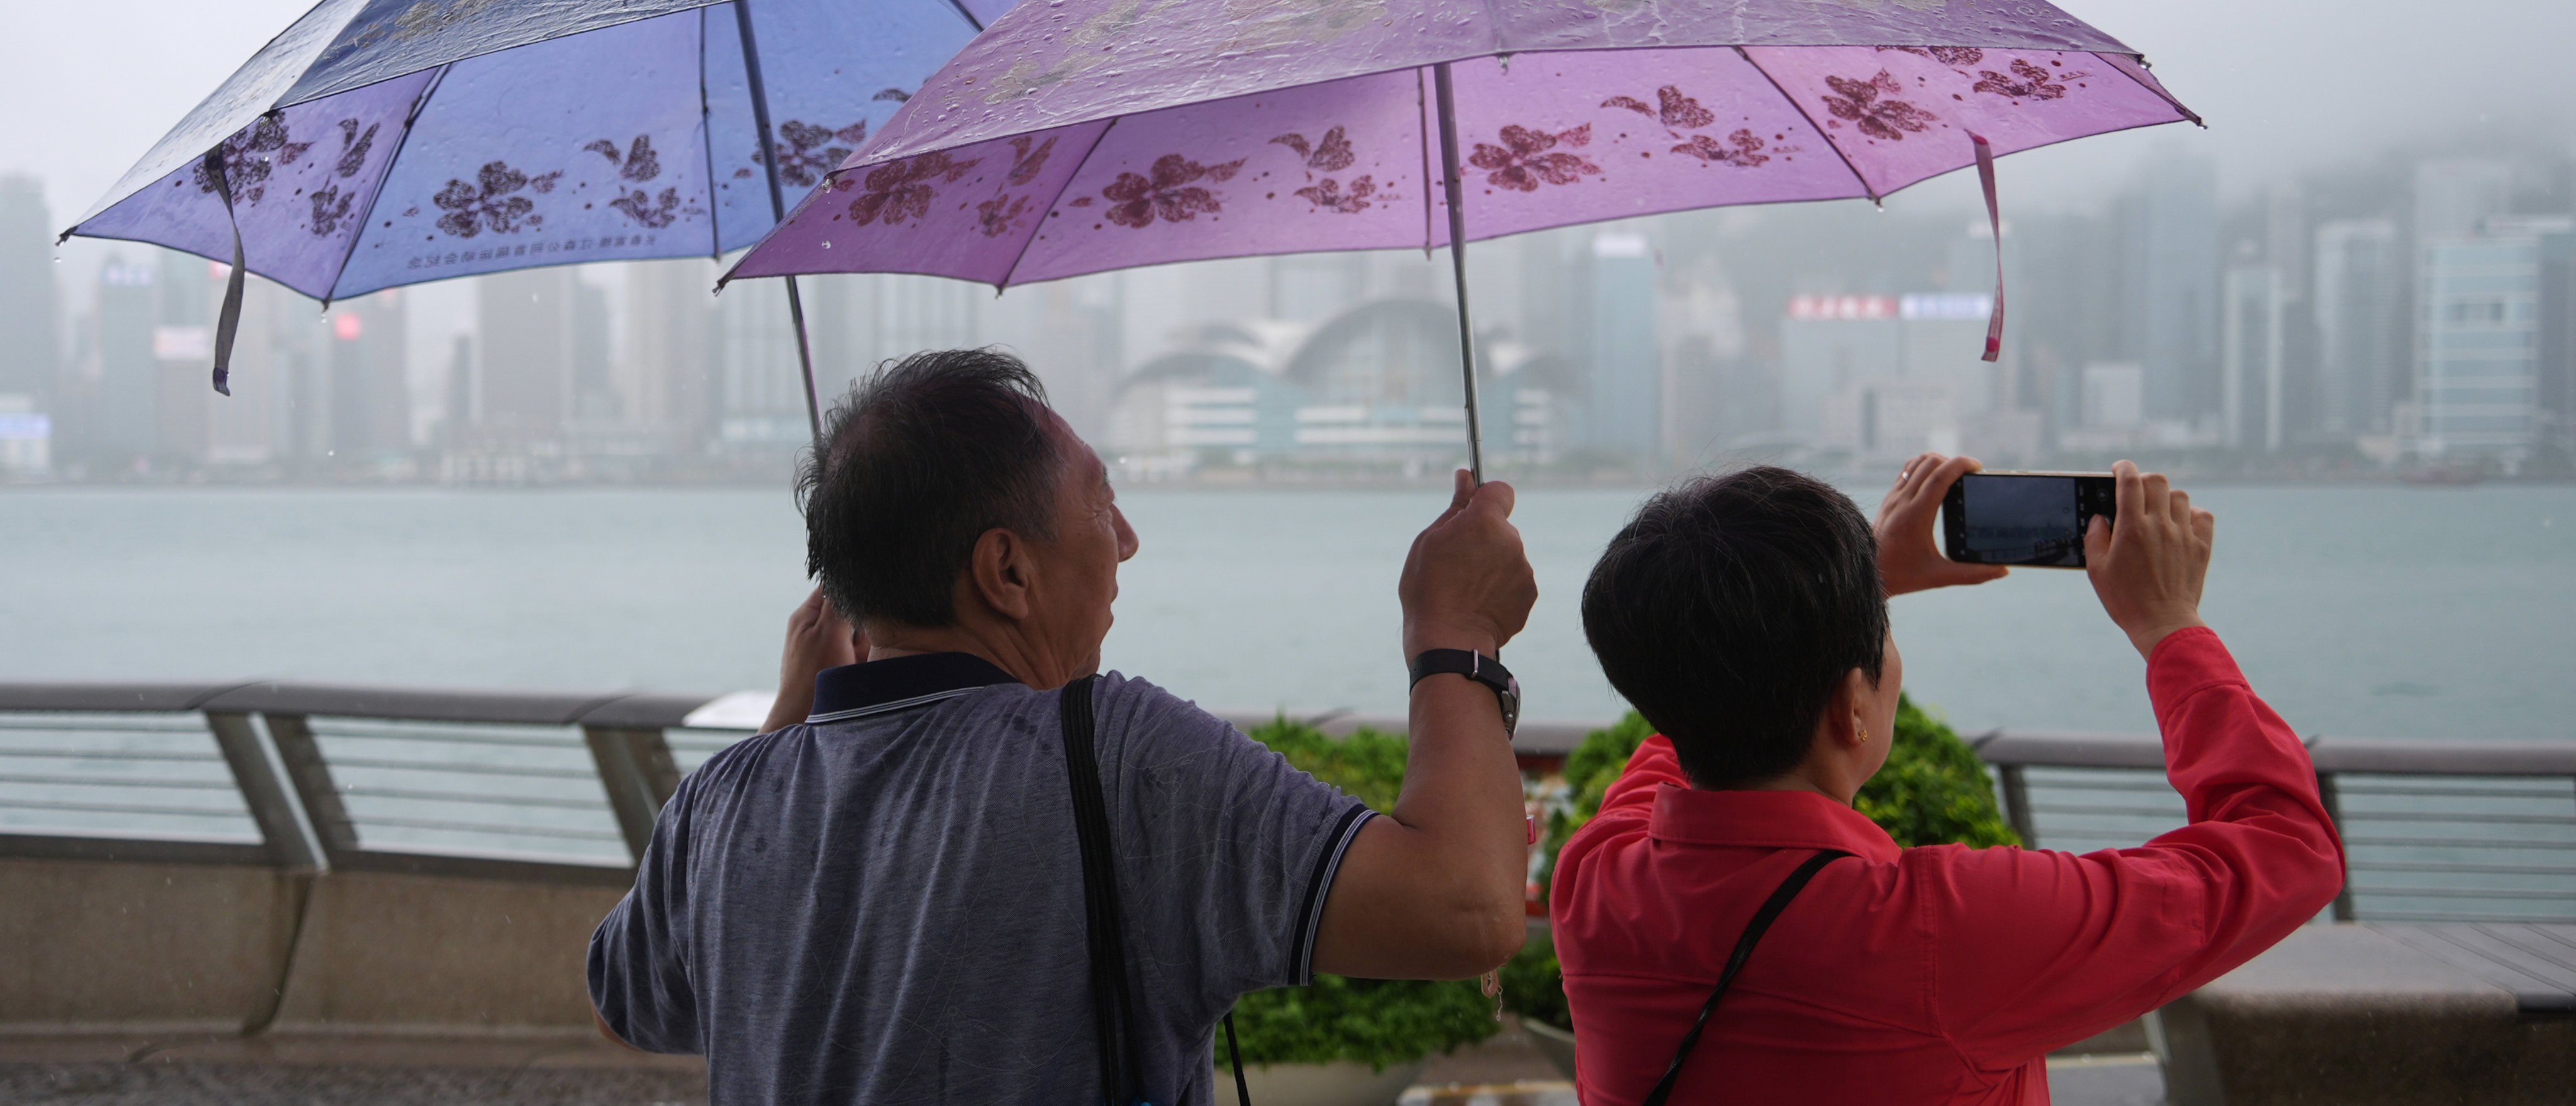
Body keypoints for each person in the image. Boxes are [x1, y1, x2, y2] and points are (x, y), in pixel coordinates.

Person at [587, 349, 1538, 1105]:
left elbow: (628, 1001)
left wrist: (789, 718)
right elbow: (1465, 908)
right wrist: (1457, 632)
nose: (1125, 538)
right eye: (1098, 499)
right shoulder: (1118, 756)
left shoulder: (723, 798)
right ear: (1006, 571)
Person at [1552, 456, 2345, 1105]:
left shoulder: (1595, 880)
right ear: (1850, 708)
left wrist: (1854, 594)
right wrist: (2171, 626)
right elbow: (2288, 848)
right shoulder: (1942, 935)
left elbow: (1695, 696)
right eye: (1882, 642)